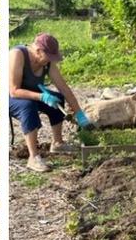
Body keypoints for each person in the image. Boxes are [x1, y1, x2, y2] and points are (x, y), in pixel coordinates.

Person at [9, 33, 92, 173]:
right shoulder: (17, 55)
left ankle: (58, 143)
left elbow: (64, 88)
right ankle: (33, 157)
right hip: (11, 97)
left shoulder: (47, 63)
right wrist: (42, 97)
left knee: (58, 98)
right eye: (48, 56)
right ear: (38, 51)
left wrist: (79, 113)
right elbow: (14, 91)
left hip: (33, 94)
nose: (50, 60)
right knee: (28, 106)